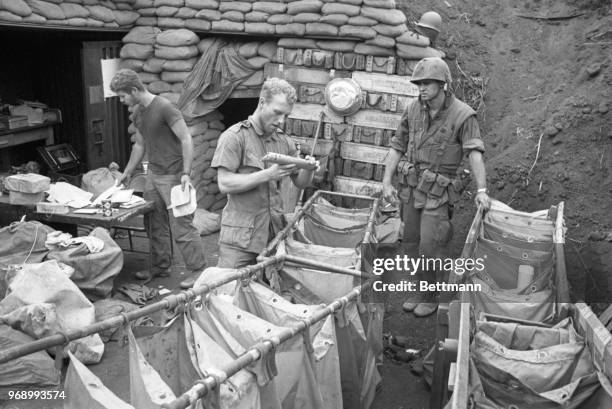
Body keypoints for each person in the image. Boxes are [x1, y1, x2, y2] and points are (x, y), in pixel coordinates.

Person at [382, 57, 491, 317]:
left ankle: (431, 296)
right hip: (411, 188)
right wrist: (386, 181)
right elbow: (397, 146)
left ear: (443, 84)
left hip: (438, 193)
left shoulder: (463, 115)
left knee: (432, 245)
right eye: (418, 83)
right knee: (410, 242)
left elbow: (475, 152)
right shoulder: (412, 110)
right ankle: (420, 290)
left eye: (427, 82)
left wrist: (482, 190)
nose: (421, 87)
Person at [111, 69, 206, 289]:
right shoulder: (138, 113)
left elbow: (186, 138)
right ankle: (160, 265)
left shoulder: (165, 108)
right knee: (154, 222)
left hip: (173, 175)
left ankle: (199, 270)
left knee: (182, 225)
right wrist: (127, 172)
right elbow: (140, 145)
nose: (122, 101)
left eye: (123, 96)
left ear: (134, 90)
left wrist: (186, 172)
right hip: (153, 175)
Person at [211, 77, 316, 268]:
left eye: (286, 116)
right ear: (262, 103)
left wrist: (309, 168)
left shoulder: (284, 142)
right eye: (277, 113)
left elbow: (301, 182)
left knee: (266, 292)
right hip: (239, 240)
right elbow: (224, 183)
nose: (281, 121)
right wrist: (268, 174)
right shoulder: (234, 137)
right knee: (229, 290)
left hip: (273, 234)